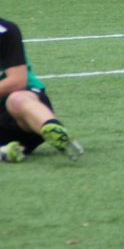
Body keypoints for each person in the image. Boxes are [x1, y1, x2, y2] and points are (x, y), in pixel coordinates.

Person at [0, 17, 83, 163]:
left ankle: (56, 132)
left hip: (23, 115)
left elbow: (17, 81)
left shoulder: (5, 30)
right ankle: (6, 152)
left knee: (17, 100)